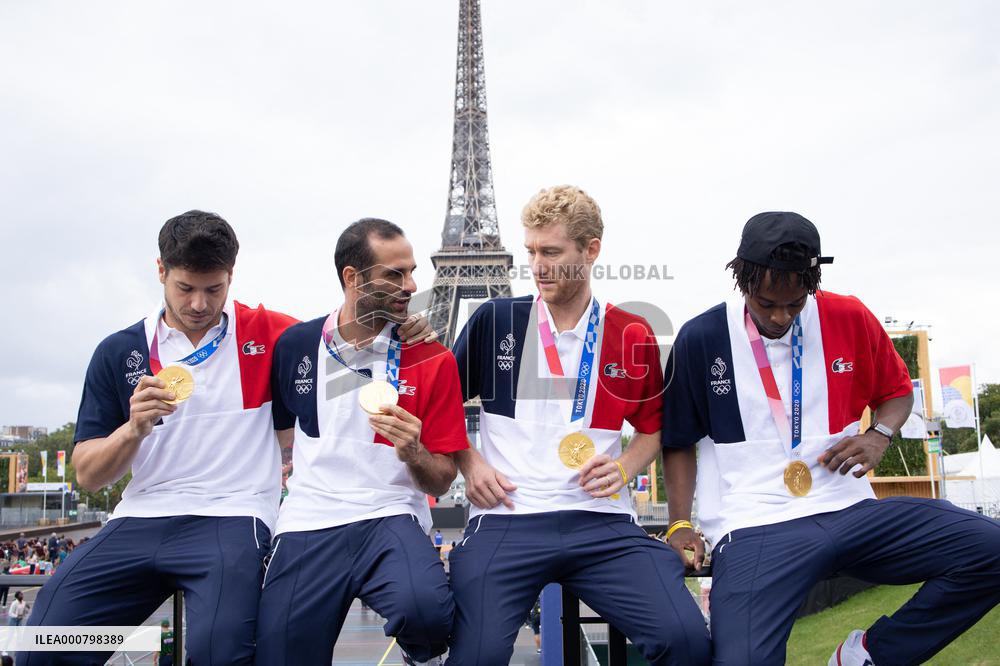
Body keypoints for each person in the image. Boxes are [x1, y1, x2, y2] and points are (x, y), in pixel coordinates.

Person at [662, 211, 1000, 665]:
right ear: (742, 280)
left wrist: (879, 434)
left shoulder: (847, 314)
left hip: (849, 509)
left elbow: (897, 393)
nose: (781, 316)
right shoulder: (701, 337)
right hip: (755, 524)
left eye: (795, 303)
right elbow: (679, 440)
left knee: (990, 550)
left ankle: (869, 656)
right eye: (767, 304)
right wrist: (681, 523)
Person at [447, 186, 711, 665]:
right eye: (531, 252)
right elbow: (439, 404)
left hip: (601, 522)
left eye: (551, 251)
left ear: (591, 250)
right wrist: (471, 462)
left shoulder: (631, 331)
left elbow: (652, 429)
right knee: (476, 657)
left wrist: (626, 467)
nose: (537, 265)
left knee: (687, 641)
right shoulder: (495, 319)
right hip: (508, 517)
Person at [255, 218, 469, 666]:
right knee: (279, 652)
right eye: (395, 274)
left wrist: (412, 452)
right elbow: (279, 431)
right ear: (352, 278)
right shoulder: (295, 345)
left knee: (428, 617)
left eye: (411, 271)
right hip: (310, 520)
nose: (411, 285)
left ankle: (420, 656)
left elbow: (441, 478)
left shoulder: (433, 357)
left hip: (389, 513)